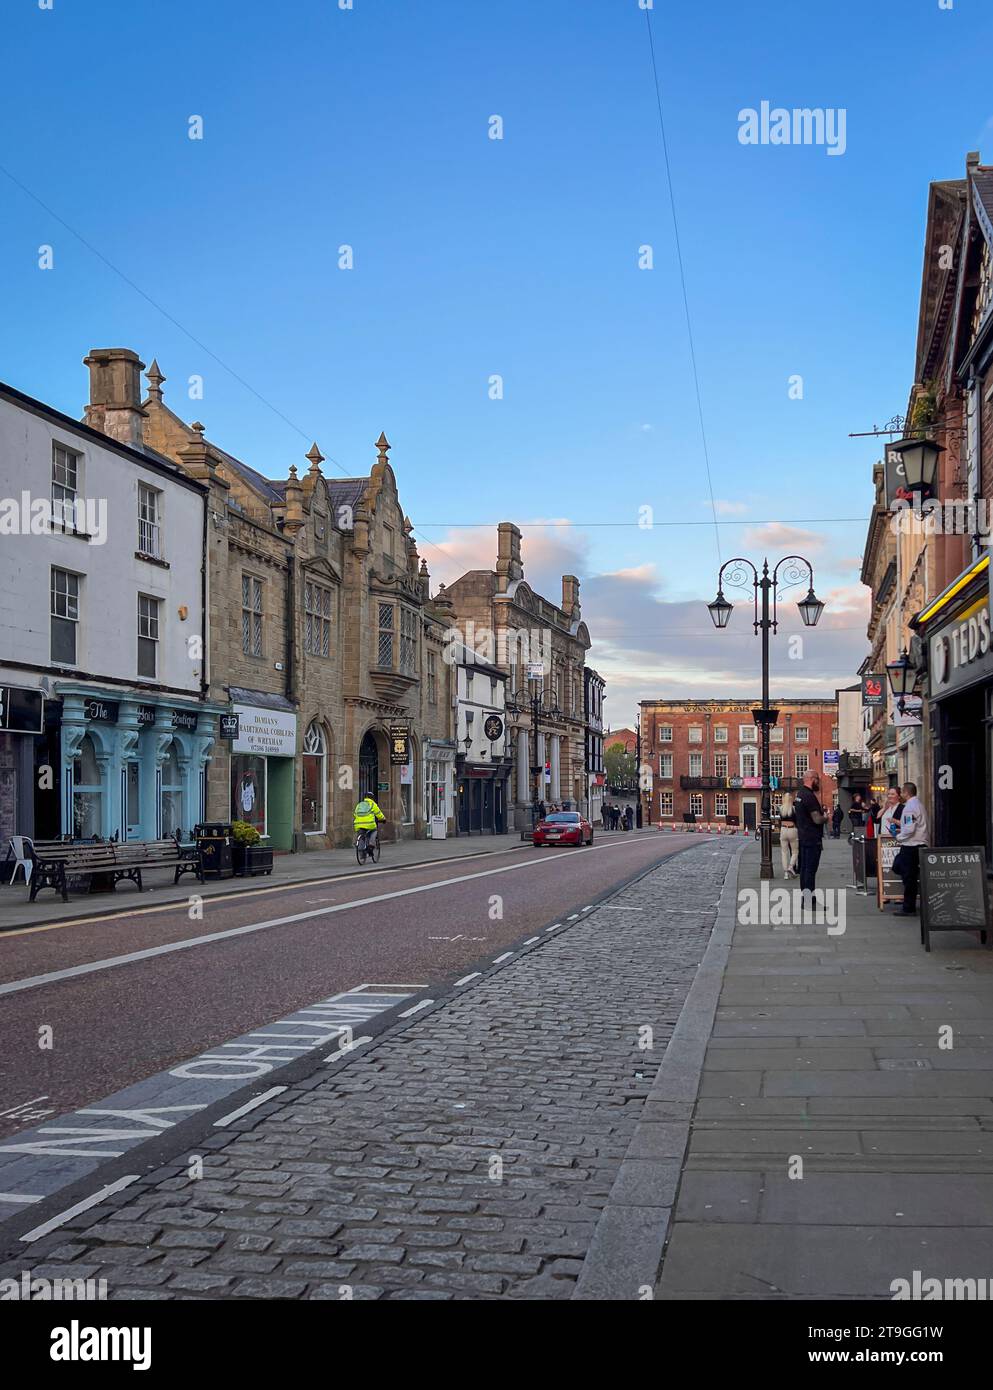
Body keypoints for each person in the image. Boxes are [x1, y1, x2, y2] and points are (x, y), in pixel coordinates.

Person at [891, 782, 929, 916]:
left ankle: (908, 907)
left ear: (906, 793)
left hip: (911, 846)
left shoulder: (909, 808)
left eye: (901, 792)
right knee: (909, 874)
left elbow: (909, 828)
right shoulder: (919, 805)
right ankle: (909, 902)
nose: (901, 794)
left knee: (907, 875)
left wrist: (899, 837)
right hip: (920, 844)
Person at [793, 770, 826, 904]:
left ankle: (805, 899)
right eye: (817, 779)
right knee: (810, 871)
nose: (818, 782)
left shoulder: (799, 795)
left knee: (804, 870)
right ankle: (809, 901)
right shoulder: (809, 796)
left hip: (803, 837)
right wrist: (826, 818)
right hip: (812, 838)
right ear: (812, 779)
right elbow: (817, 819)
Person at [778, 793, 799, 879]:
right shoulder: (794, 809)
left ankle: (785, 874)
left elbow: (780, 820)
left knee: (784, 852)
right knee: (795, 851)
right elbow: (797, 821)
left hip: (783, 829)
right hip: (792, 829)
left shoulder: (781, 809)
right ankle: (791, 866)